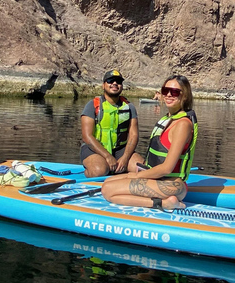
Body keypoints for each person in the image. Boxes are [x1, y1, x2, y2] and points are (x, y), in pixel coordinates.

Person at [101, 75, 198, 210]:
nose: (169, 95)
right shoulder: (169, 119)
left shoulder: (183, 124)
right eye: (165, 91)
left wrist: (135, 176)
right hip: (156, 180)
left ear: (185, 96)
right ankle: (162, 200)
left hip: (172, 185)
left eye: (175, 92)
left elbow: (166, 168)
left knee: (108, 190)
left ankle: (164, 204)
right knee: (107, 182)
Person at [80, 69, 140, 177]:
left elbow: (134, 135)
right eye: (110, 81)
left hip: (120, 150)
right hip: (95, 149)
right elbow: (87, 137)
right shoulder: (93, 105)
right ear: (103, 85)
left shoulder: (129, 107)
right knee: (99, 171)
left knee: (141, 170)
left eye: (118, 82)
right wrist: (107, 156)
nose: (115, 84)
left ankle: (119, 175)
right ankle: (91, 169)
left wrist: (125, 158)